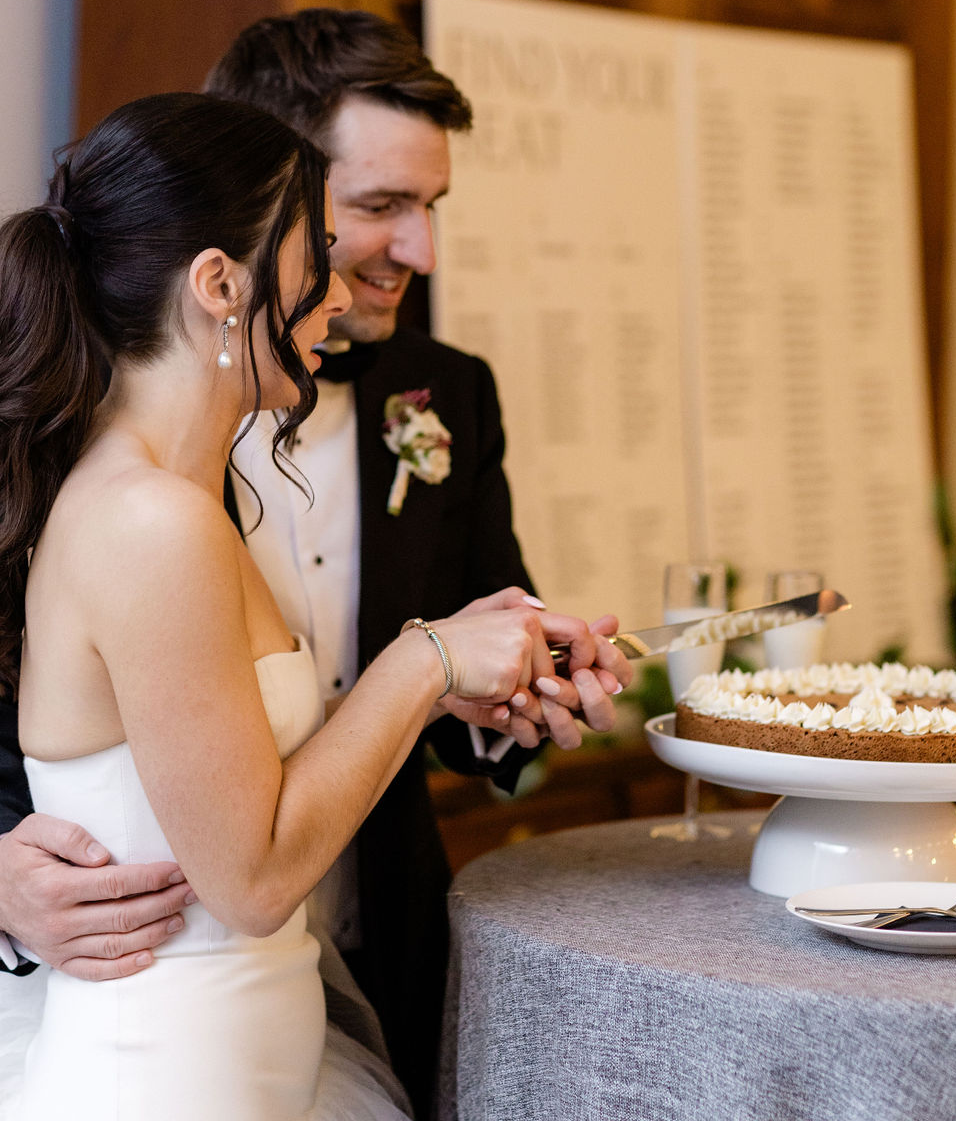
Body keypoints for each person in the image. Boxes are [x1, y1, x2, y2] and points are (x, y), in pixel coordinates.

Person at [0, 91, 613, 1117]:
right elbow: (250, 878)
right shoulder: (150, 521)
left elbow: (250, 764)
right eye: (311, 256)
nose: (332, 296)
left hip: (265, 1061)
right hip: (170, 1082)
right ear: (217, 283)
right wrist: (424, 664)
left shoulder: (191, 501)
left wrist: (461, 677)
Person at [205, 9, 630, 1110]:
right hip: (158, 969)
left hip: (375, 959)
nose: (420, 251)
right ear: (268, 199)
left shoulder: (448, 393)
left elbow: (466, 656)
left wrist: (511, 706)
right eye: (381, 206)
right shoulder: (105, 418)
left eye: (431, 207)